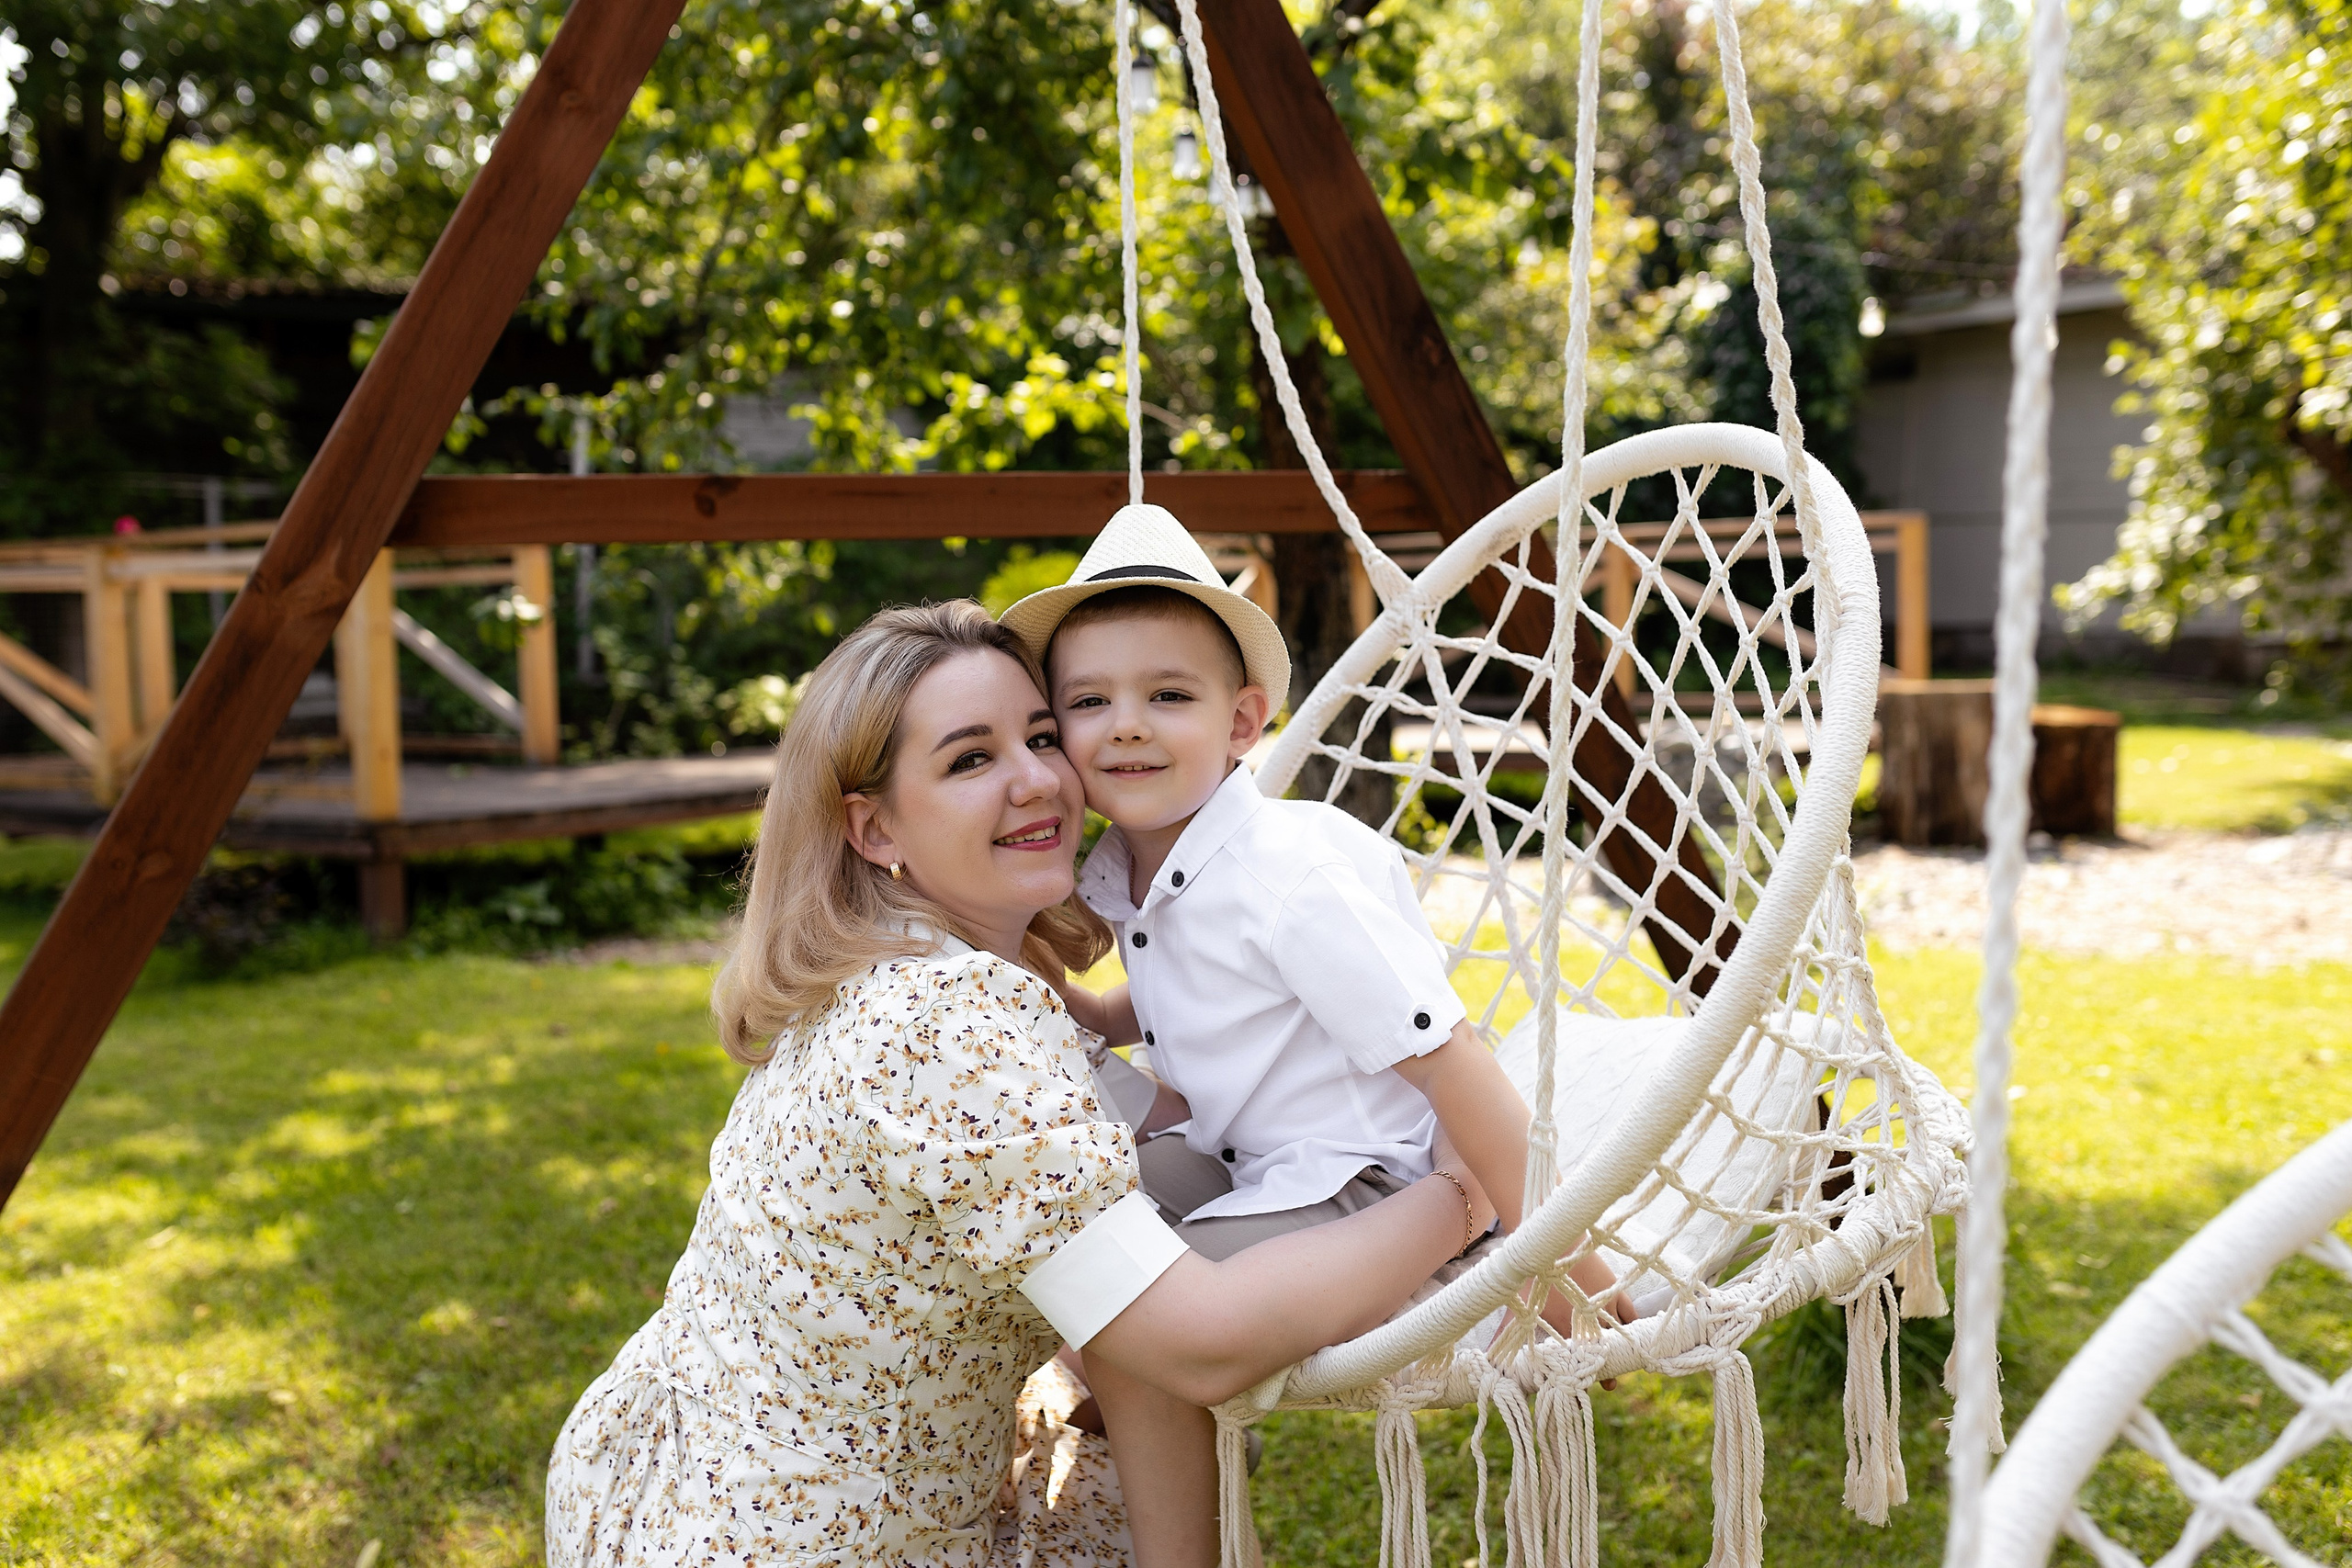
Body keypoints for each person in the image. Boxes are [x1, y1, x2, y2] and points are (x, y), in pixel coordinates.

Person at [544, 600, 1496, 1568]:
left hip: (663, 1470)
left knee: (1119, 1444)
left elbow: (1162, 1125)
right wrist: (1464, 1196)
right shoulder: (943, 1028)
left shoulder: (919, 973)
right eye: (969, 760)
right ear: (874, 831)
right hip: (790, 1541)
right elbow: (1201, 1343)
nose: (1039, 780)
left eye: (1041, 736)